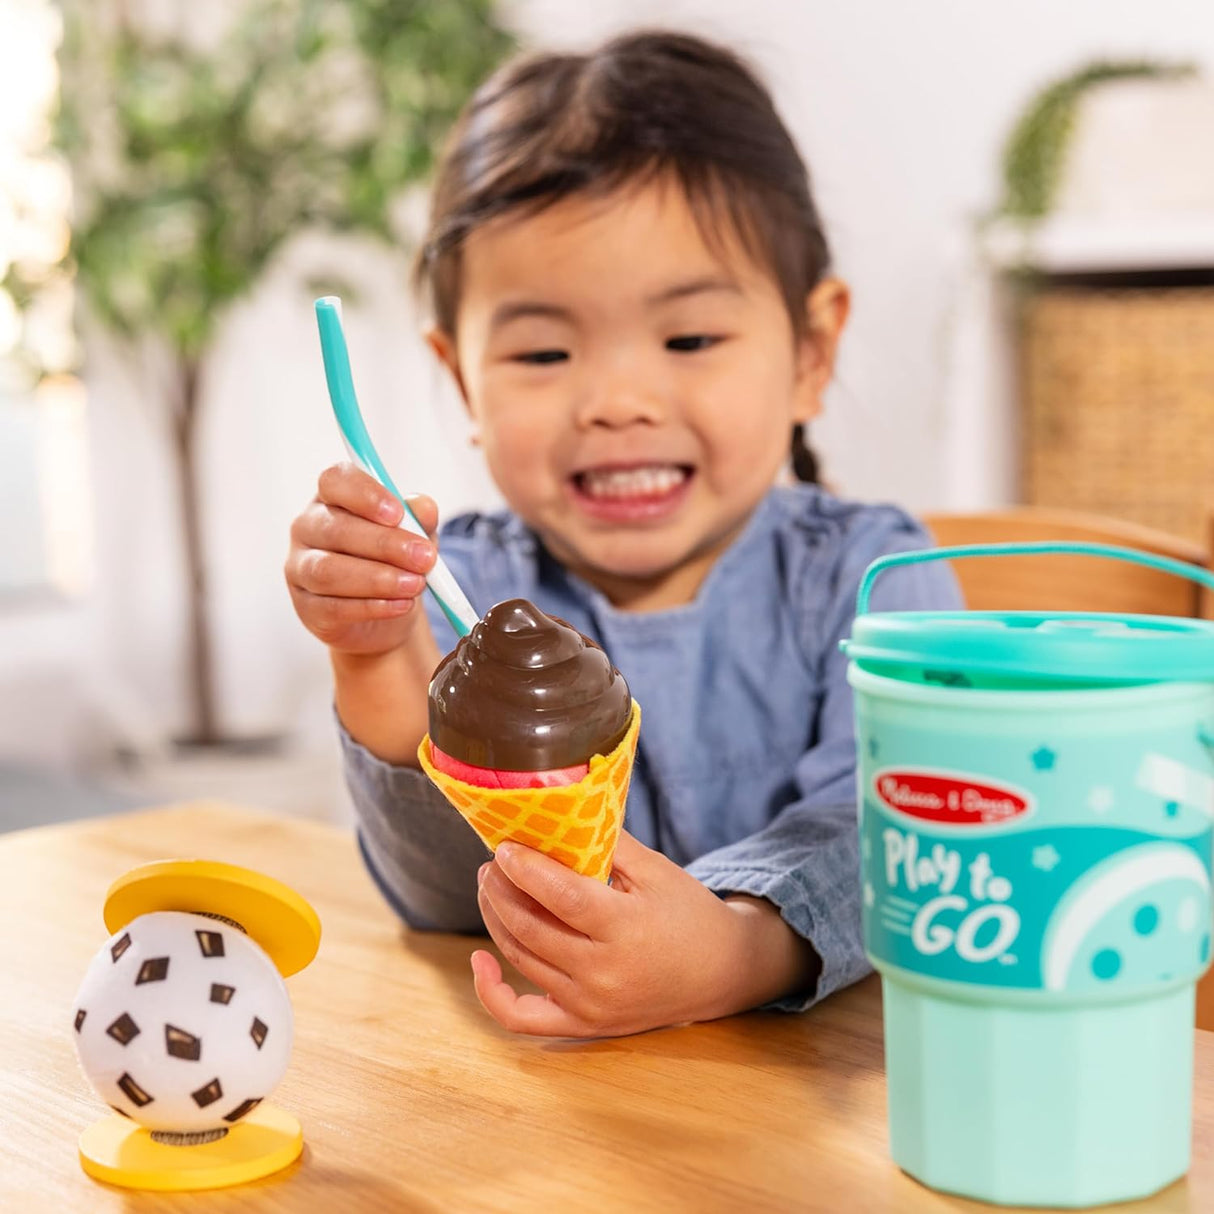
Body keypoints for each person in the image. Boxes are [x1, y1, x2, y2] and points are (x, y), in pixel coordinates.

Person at [285, 29, 961, 1038]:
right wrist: (376, 656)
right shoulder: (458, 587)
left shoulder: (877, 580)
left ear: (809, 350)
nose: (615, 401)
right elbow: (435, 900)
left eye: (687, 337)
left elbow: (894, 823)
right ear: (463, 378)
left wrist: (739, 946)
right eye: (545, 350)